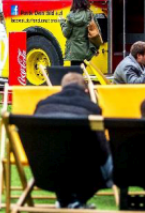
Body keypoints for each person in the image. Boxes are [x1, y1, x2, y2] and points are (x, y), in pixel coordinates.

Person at [34, 72, 112, 209]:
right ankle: (78, 200)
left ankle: (66, 200)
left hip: (45, 172)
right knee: (108, 156)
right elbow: (101, 151)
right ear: (86, 91)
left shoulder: (42, 106)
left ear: (61, 88)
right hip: (84, 175)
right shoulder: (91, 109)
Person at [59, 0, 100, 66]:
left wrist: (62, 22)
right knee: (80, 73)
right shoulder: (90, 15)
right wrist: (95, 48)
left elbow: (66, 34)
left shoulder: (71, 16)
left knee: (75, 74)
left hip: (74, 52)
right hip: (86, 51)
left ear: (74, 1)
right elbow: (96, 32)